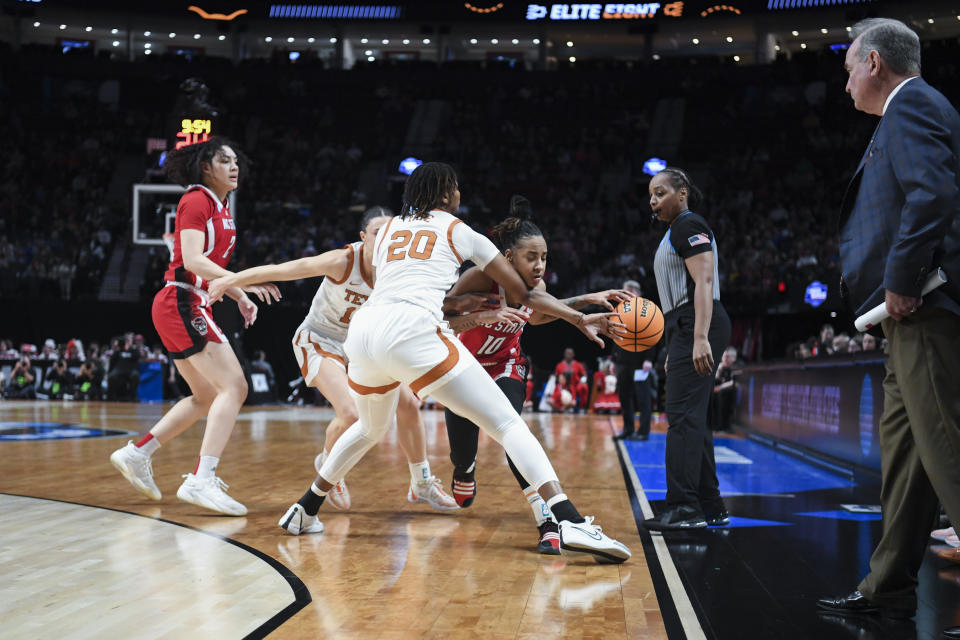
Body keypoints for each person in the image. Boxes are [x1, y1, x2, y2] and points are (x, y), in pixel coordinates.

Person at [274, 162, 631, 564]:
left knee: (369, 428)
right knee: (507, 423)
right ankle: (568, 519)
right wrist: (580, 317)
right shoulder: (459, 230)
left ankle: (305, 508)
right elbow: (525, 295)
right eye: (457, 187)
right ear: (447, 192)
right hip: (412, 330)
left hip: (364, 332)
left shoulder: (390, 227)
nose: (460, 194)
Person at [815, 20, 960, 639]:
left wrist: (901, 279)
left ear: (873, 63)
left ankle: (891, 584)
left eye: (849, 66)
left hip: (923, 307)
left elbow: (932, 197)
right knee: (906, 456)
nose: (845, 79)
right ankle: (889, 586)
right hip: (904, 316)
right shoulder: (901, 116)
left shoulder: (913, 105)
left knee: (946, 447)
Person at [208, 206, 459, 513]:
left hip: (365, 345)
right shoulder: (343, 261)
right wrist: (231, 280)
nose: (385, 240)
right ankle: (331, 468)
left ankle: (421, 483)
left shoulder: (400, 269)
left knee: (409, 402)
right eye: (378, 233)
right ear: (363, 237)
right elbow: (289, 268)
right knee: (352, 413)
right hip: (320, 338)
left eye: (391, 234)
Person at [441, 198, 630, 552]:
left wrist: (588, 299)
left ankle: (547, 520)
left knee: (513, 432)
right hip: (463, 369)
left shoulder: (536, 291)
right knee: (462, 455)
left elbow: (541, 315)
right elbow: (442, 318)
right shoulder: (479, 277)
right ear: (508, 258)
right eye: (532, 257)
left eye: (544, 257)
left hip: (505, 365)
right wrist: (481, 318)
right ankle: (464, 469)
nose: (540, 265)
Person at [109, 137, 279, 516]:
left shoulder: (222, 207)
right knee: (234, 386)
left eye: (236, 160)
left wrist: (240, 297)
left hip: (189, 302)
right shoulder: (197, 199)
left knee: (204, 396)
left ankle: (138, 453)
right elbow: (192, 260)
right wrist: (246, 283)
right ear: (205, 166)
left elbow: (208, 268)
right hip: (181, 301)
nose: (234, 167)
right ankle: (202, 478)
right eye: (224, 160)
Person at [642, 166, 731, 532]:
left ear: (682, 193)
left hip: (696, 321)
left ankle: (683, 508)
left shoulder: (687, 226)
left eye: (660, 192)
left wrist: (698, 336)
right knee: (692, 418)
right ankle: (710, 505)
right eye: (650, 195)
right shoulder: (674, 231)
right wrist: (672, 345)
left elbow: (704, 281)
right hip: (684, 325)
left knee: (679, 418)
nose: (653, 200)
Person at [612, 280, 658, 441]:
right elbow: (615, 336)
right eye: (623, 292)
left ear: (636, 293)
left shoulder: (647, 311)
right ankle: (628, 429)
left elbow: (653, 335)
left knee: (643, 399)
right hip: (623, 362)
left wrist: (649, 359)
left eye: (627, 292)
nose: (624, 295)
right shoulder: (620, 311)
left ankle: (643, 432)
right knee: (624, 397)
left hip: (640, 363)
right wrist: (613, 360)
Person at [711, 347, 738, 432]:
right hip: (716, 393)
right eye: (725, 356)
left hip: (726, 394)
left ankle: (725, 425)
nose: (726, 359)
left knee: (724, 397)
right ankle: (715, 425)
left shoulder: (732, 369)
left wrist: (722, 387)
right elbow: (714, 384)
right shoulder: (718, 368)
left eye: (728, 357)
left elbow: (732, 383)